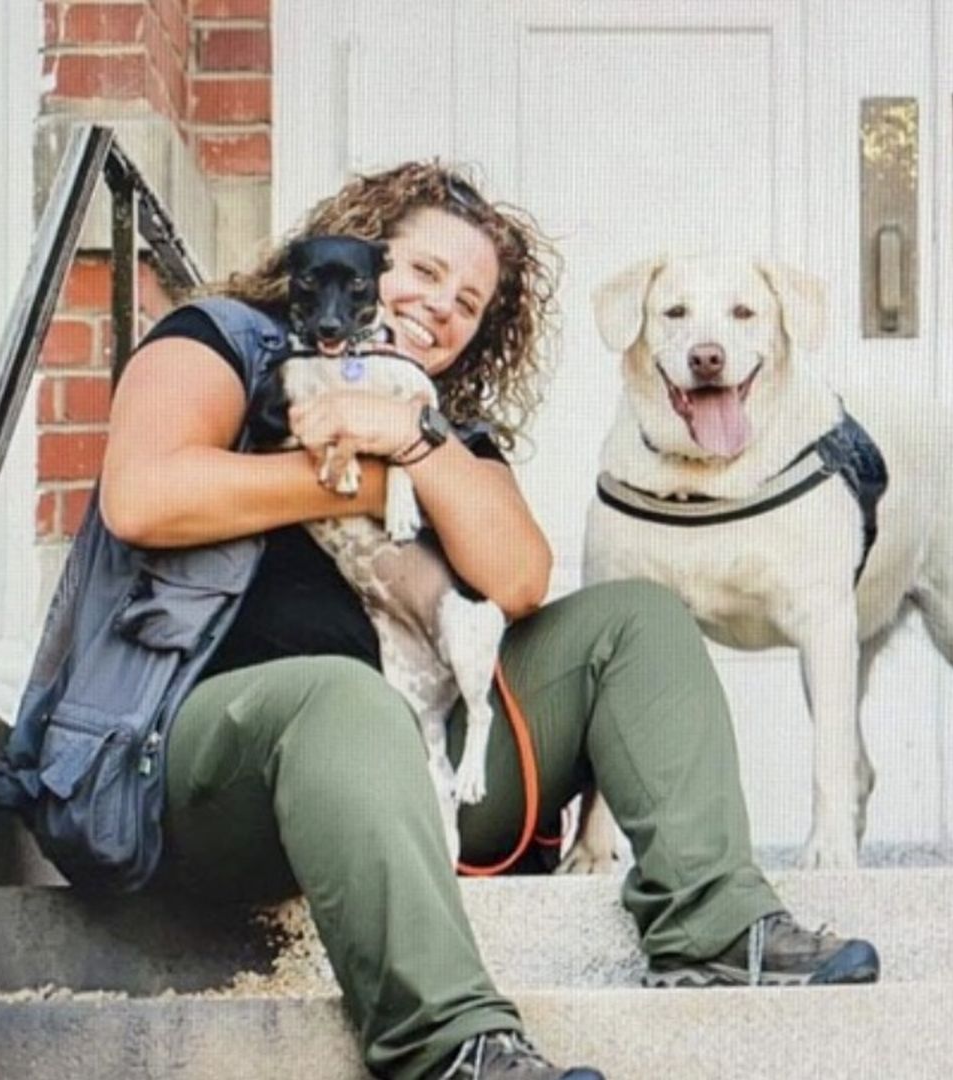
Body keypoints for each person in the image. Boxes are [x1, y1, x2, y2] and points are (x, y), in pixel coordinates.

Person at [86, 163, 878, 1078]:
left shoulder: (445, 426)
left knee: (636, 619)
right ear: (351, 253)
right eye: (420, 273)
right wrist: (365, 480)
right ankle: (452, 1046)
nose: (441, 309)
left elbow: (519, 579)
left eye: (470, 300)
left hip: (413, 780)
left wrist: (414, 446)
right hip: (205, 766)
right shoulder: (224, 342)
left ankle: (714, 923)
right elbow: (143, 497)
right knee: (342, 697)